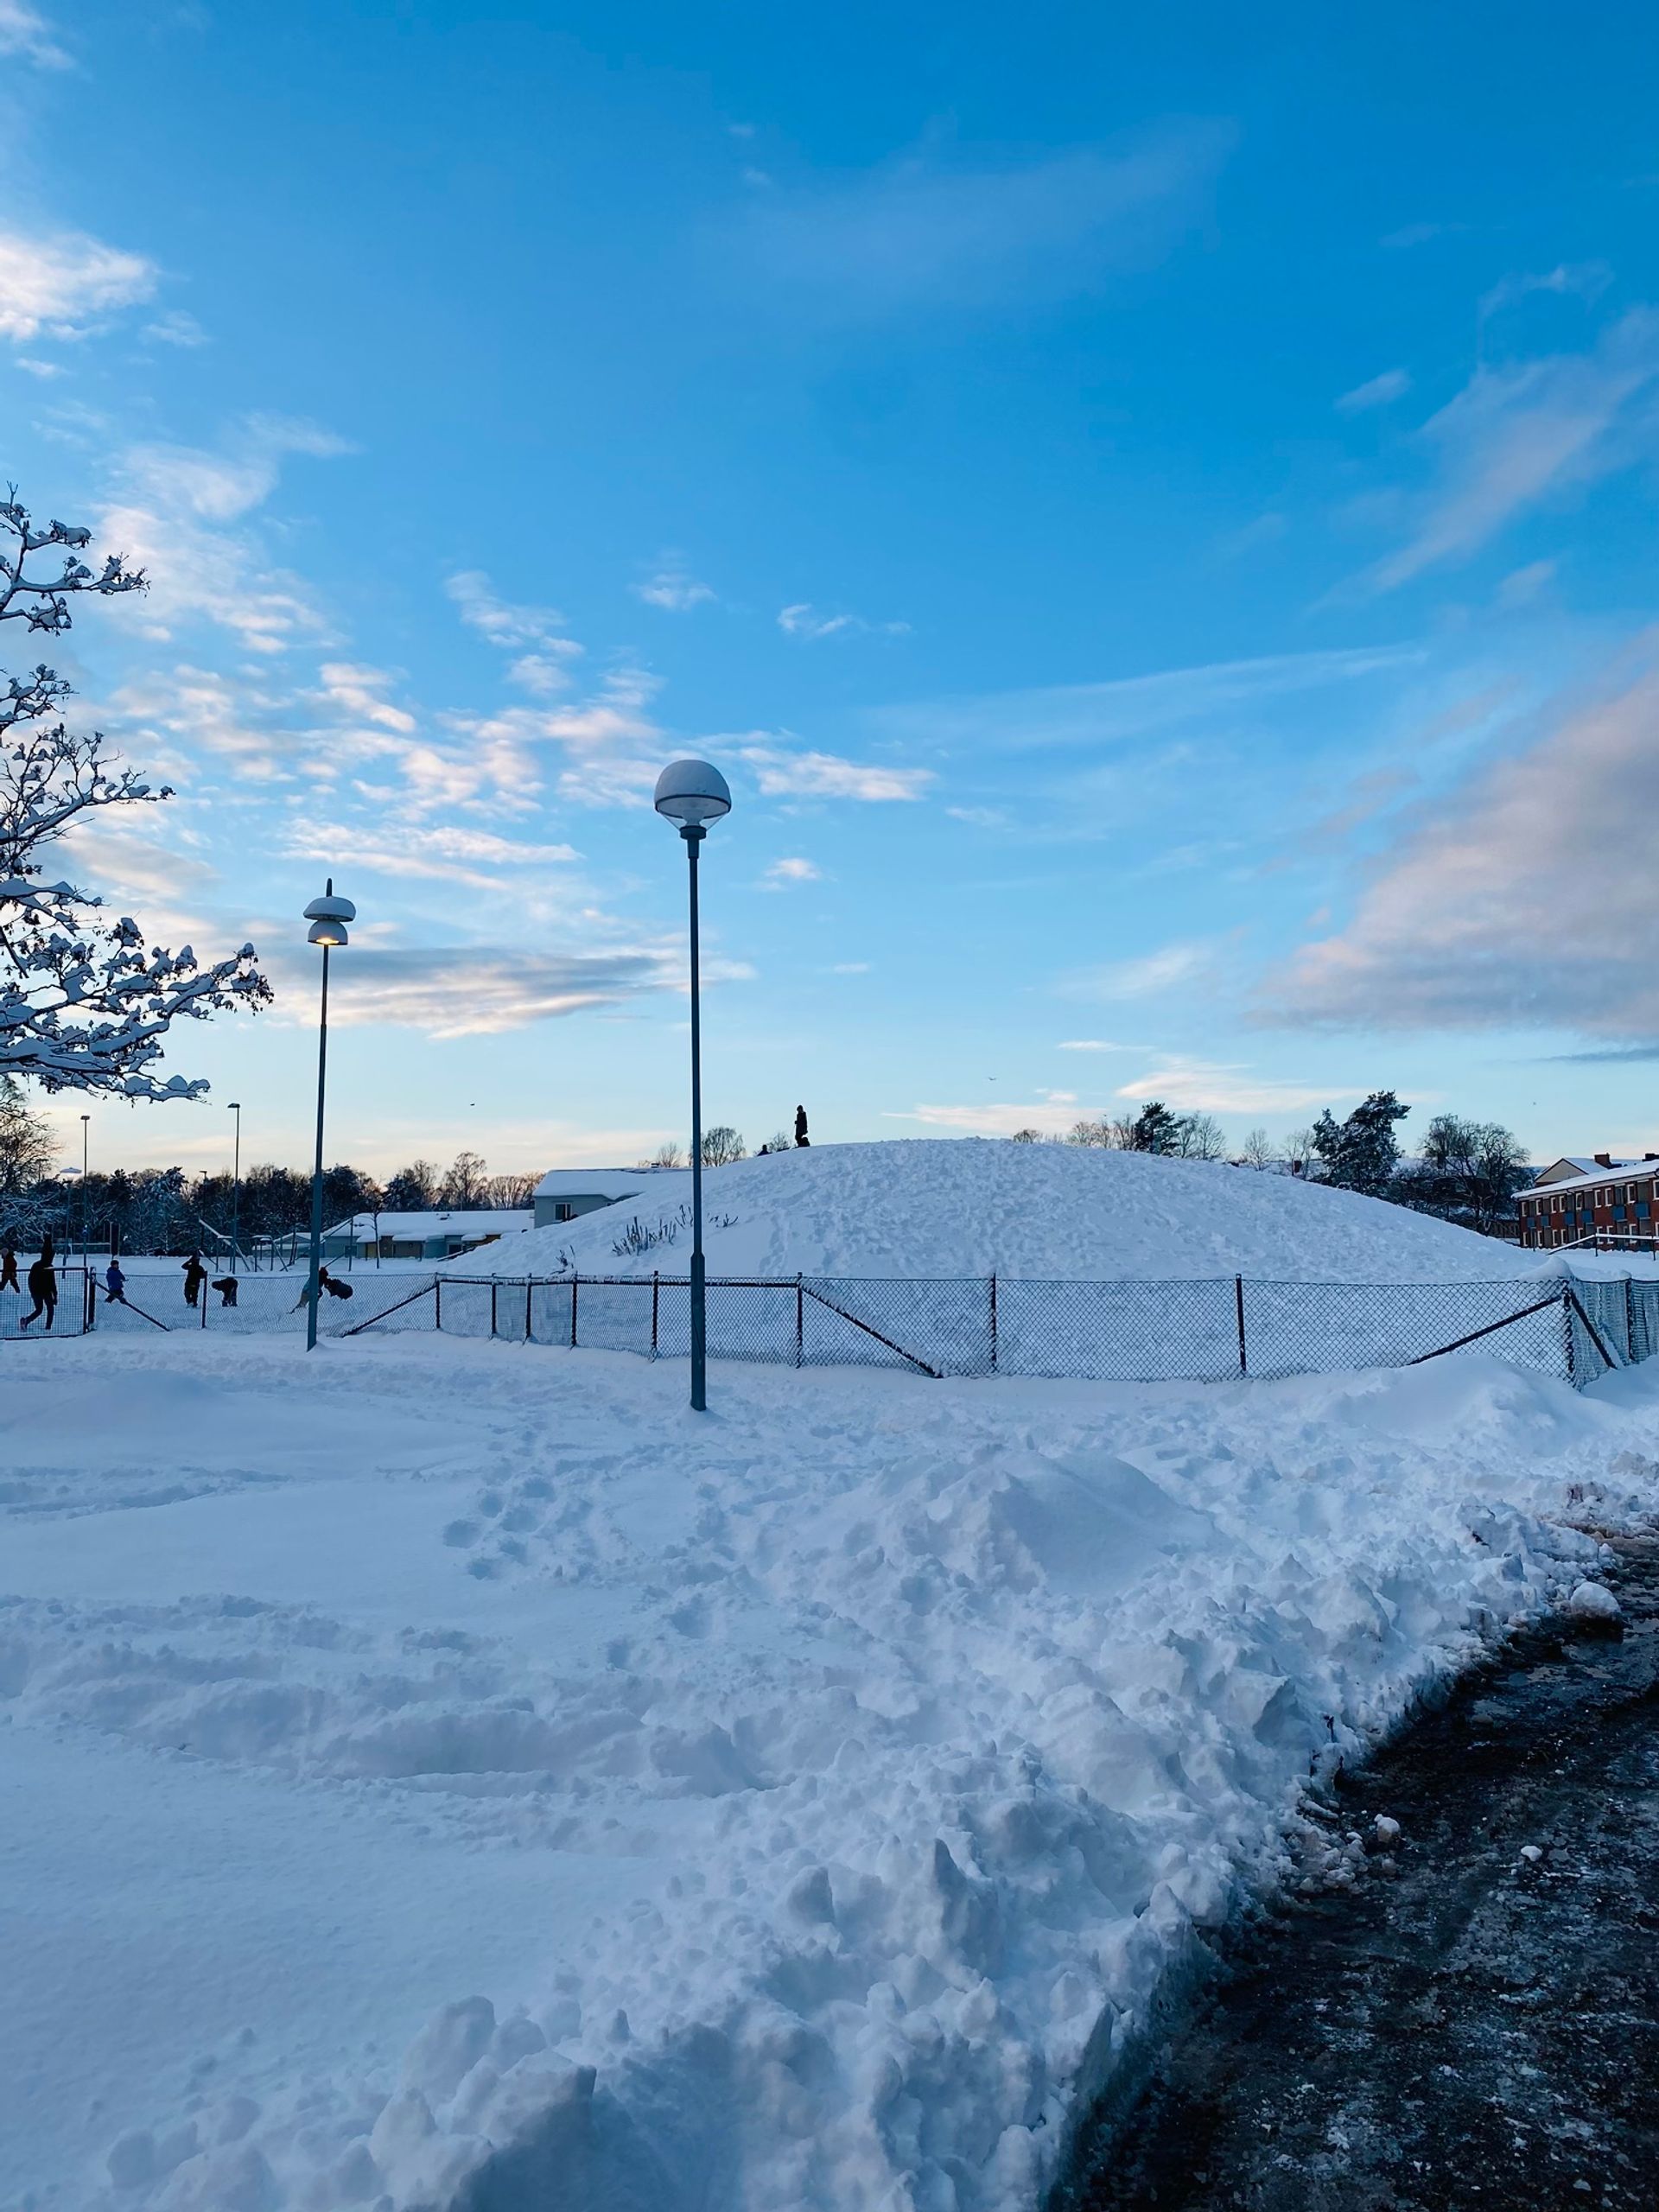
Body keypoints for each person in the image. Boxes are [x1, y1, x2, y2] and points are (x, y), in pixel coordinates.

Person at [20, 1251, 57, 1331]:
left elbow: (52, 1282)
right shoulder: (45, 1266)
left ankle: (27, 1321)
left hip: (39, 1292)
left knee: (41, 1309)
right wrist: (54, 1295)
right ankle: (47, 1327)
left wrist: (55, 1295)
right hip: (42, 1292)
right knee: (47, 1309)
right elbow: (52, 1283)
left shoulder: (37, 1265)